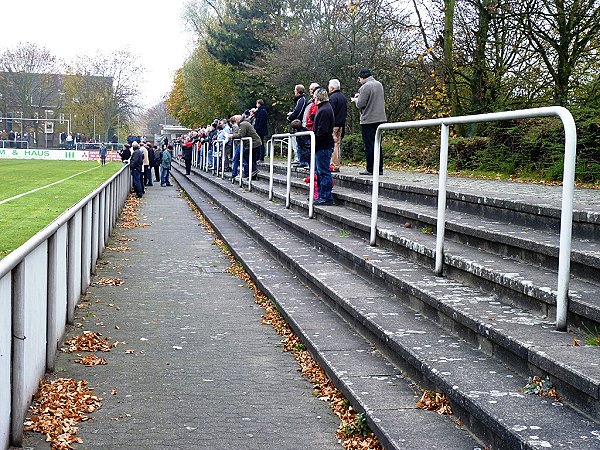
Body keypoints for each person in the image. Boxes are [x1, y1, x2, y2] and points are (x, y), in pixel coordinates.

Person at [352, 68, 387, 175]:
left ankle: (370, 168)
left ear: (363, 77)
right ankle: (379, 168)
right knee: (378, 144)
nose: (359, 81)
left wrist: (356, 99)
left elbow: (360, 104)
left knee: (369, 145)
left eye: (359, 79)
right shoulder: (379, 84)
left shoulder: (364, 87)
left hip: (368, 119)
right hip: (380, 118)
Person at [312, 88, 335, 205]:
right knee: (321, 171)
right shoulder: (325, 108)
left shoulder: (324, 110)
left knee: (323, 171)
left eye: (315, 97)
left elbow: (323, 130)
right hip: (323, 145)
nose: (313, 100)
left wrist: (315, 140)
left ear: (319, 98)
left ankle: (326, 196)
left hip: (323, 146)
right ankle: (322, 195)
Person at [228, 114, 262, 181]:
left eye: (235, 120)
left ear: (238, 119)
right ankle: (253, 174)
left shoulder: (243, 124)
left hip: (253, 143)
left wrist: (232, 136)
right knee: (251, 158)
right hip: (254, 142)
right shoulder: (245, 123)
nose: (235, 122)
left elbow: (241, 135)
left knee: (246, 155)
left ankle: (254, 170)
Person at [328, 78, 347, 173]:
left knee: (334, 144)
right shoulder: (343, 97)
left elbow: (331, 113)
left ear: (332, 87)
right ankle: (337, 163)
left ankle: (334, 165)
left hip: (334, 125)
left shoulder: (332, 98)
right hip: (341, 124)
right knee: (338, 144)